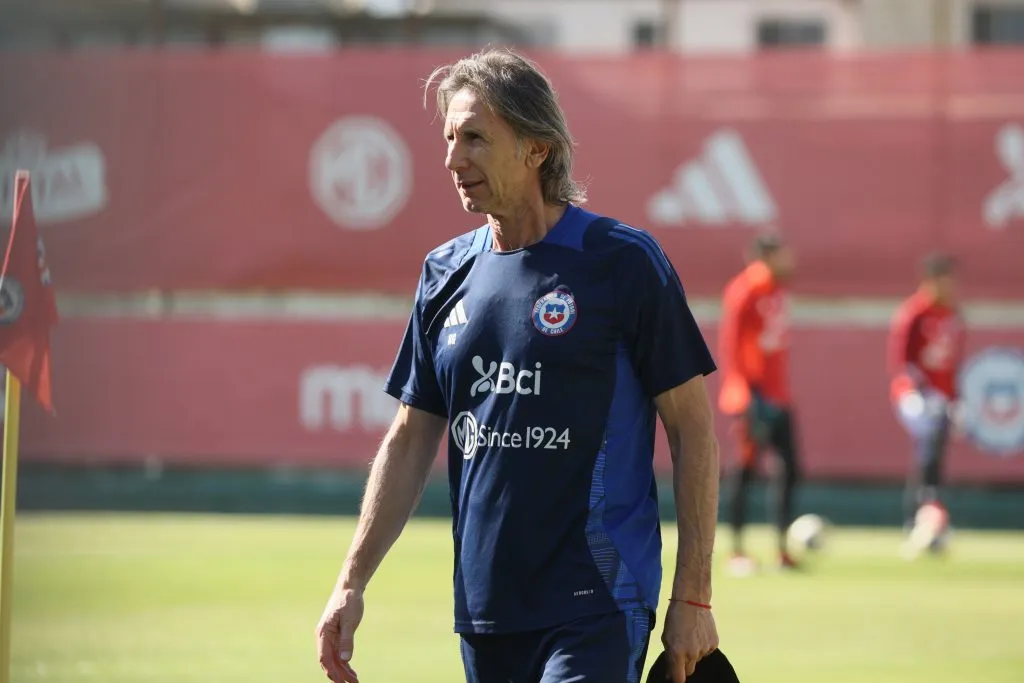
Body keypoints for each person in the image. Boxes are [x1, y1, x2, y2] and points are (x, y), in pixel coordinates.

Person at [315, 48, 722, 683]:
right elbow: (411, 434)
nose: (453, 160)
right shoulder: (443, 273)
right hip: (485, 613)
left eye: (475, 138)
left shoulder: (622, 262)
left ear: (537, 147)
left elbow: (694, 431)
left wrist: (693, 598)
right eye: (449, 138)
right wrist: (351, 582)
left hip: (599, 600)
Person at [716, 232, 800, 576]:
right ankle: (736, 550)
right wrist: (742, 394)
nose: (790, 260)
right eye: (783, 254)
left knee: (790, 469)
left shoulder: (778, 290)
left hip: (779, 395)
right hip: (754, 396)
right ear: (766, 256)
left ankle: (781, 550)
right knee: (745, 471)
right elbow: (731, 346)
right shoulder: (745, 290)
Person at [888, 252, 965, 549]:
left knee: (932, 454)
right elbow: (901, 362)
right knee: (928, 443)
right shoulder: (913, 313)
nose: (951, 286)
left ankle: (930, 516)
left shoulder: (952, 314)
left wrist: (955, 399)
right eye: (946, 279)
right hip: (915, 396)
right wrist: (915, 393)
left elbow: (953, 363)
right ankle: (919, 516)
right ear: (930, 281)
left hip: (943, 398)